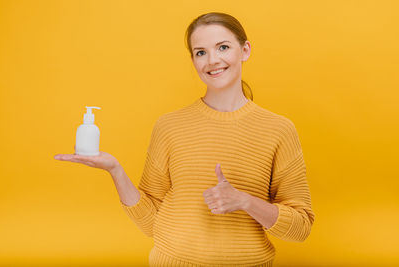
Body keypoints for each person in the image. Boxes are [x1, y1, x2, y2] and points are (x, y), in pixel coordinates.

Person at [54, 12, 315, 267]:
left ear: (244, 50)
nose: (212, 60)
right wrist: (115, 170)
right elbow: (150, 222)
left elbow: (300, 228)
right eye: (201, 52)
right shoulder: (169, 126)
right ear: (193, 60)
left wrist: (245, 201)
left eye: (223, 47)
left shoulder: (278, 129)